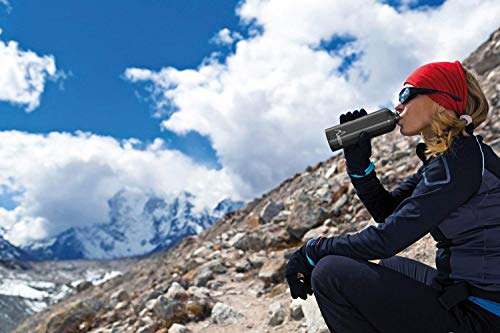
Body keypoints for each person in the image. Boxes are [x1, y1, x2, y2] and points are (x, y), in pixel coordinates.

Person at [285, 60, 500, 333]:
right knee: (391, 267)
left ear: (439, 99)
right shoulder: (457, 157)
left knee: (330, 273)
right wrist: (359, 166)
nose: (398, 105)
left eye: (406, 95)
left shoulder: (458, 165)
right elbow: (388, 212)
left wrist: (312, 250)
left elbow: (387, 239)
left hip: (483, 317)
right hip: (470, 296)